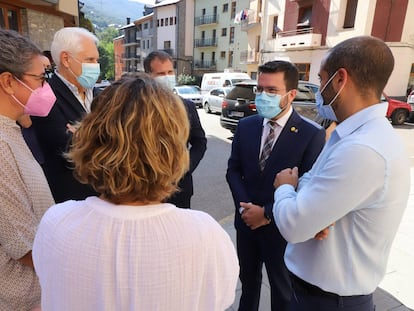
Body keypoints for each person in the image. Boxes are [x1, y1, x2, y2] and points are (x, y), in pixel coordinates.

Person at [32, 74, 239, 311]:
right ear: (173, 148)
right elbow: (219, 299)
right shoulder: (204, 234)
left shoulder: (57, 223)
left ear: (90, 139)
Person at [273, 36, 410, 311]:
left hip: (329, 302)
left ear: (340, 80)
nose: (319, 89)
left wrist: (284, 187)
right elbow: (312, 180)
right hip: (318, 295)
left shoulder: (363, 149)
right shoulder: (351, 133)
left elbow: (294, 225)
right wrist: (314, 212)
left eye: (322, 79)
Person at [226, 60, 326, 311]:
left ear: (291, 95)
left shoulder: (310, 135)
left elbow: (307, 188)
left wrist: (267, 214)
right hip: (246, 223)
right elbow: (233, 171)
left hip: (280, 230)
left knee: (282, 291)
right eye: (260, 89)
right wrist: (245, 210)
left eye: (271, 91)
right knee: (248, 284)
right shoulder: (246, 126)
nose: (262, 96)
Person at [0, 29, 55, 311]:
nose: (46, 89)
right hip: (21, 301)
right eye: (41, 79)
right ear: (9, 81)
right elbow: (23, 245)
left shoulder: (12, 131)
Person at [30, 27, 100, 203]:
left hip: (104, 197)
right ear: (66, 59)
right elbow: (69, 150)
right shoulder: (45, 97)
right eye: (90, 59)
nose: (96, 66)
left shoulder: (100, 95)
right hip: (72, 200)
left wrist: (85, 136)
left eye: (97, 60)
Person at [144, 50, 207, 208]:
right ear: (148, 76)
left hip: (179, 189)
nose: (167, 77)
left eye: (170, 72)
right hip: (144, 189)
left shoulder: (187, 107)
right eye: (160, 73)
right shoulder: (138, 108)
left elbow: (200, 142)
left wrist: (186, 167)